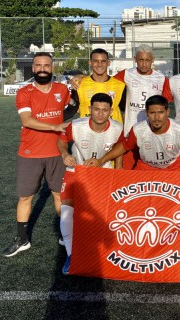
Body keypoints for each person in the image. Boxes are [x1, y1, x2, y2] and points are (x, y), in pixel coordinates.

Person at [2, 52, 71, 257]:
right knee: (25, 197)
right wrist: (56, 126)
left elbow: (69, 109)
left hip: (57, 151)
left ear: (53, 68)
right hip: (30, 152)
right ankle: (22, 239)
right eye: (38, 65)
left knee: (60, 195)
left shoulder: (62, 89)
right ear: (33, 68)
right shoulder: (24, 92)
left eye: (47, 65)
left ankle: (65, 235)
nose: (43, 69)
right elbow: (27, 121)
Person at [57, 93, 124, 275]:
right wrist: (65, 154)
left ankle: (108, 253)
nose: (100, 114)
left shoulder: (118, 128)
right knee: (66, 210)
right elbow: (62, 141)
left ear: (111, 111)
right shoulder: (76, 126)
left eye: (104, 110)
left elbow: (120, 150)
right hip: (77, 170)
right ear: (89, 110)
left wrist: (118, 172)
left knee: (105, 214)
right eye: (96, 109)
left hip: (104, 173)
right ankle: (71, 255)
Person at [85, 95, 180, 172]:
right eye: (152, 113)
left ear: (167, 112)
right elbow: (123, 147)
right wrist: (101, 160)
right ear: (146, 113)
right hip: (147, 167)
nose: (156, 117)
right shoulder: (138, 129)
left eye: (160, 112)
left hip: (174, 166)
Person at [64, 48, 126, 124]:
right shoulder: (79, 84)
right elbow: (73, 107)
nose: (99, 64)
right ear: (90, 62)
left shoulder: (120, 85)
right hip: (87, 130)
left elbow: (126, 109)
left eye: (103, 61)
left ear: (108, 63)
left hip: (112, 131)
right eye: (95, 61)